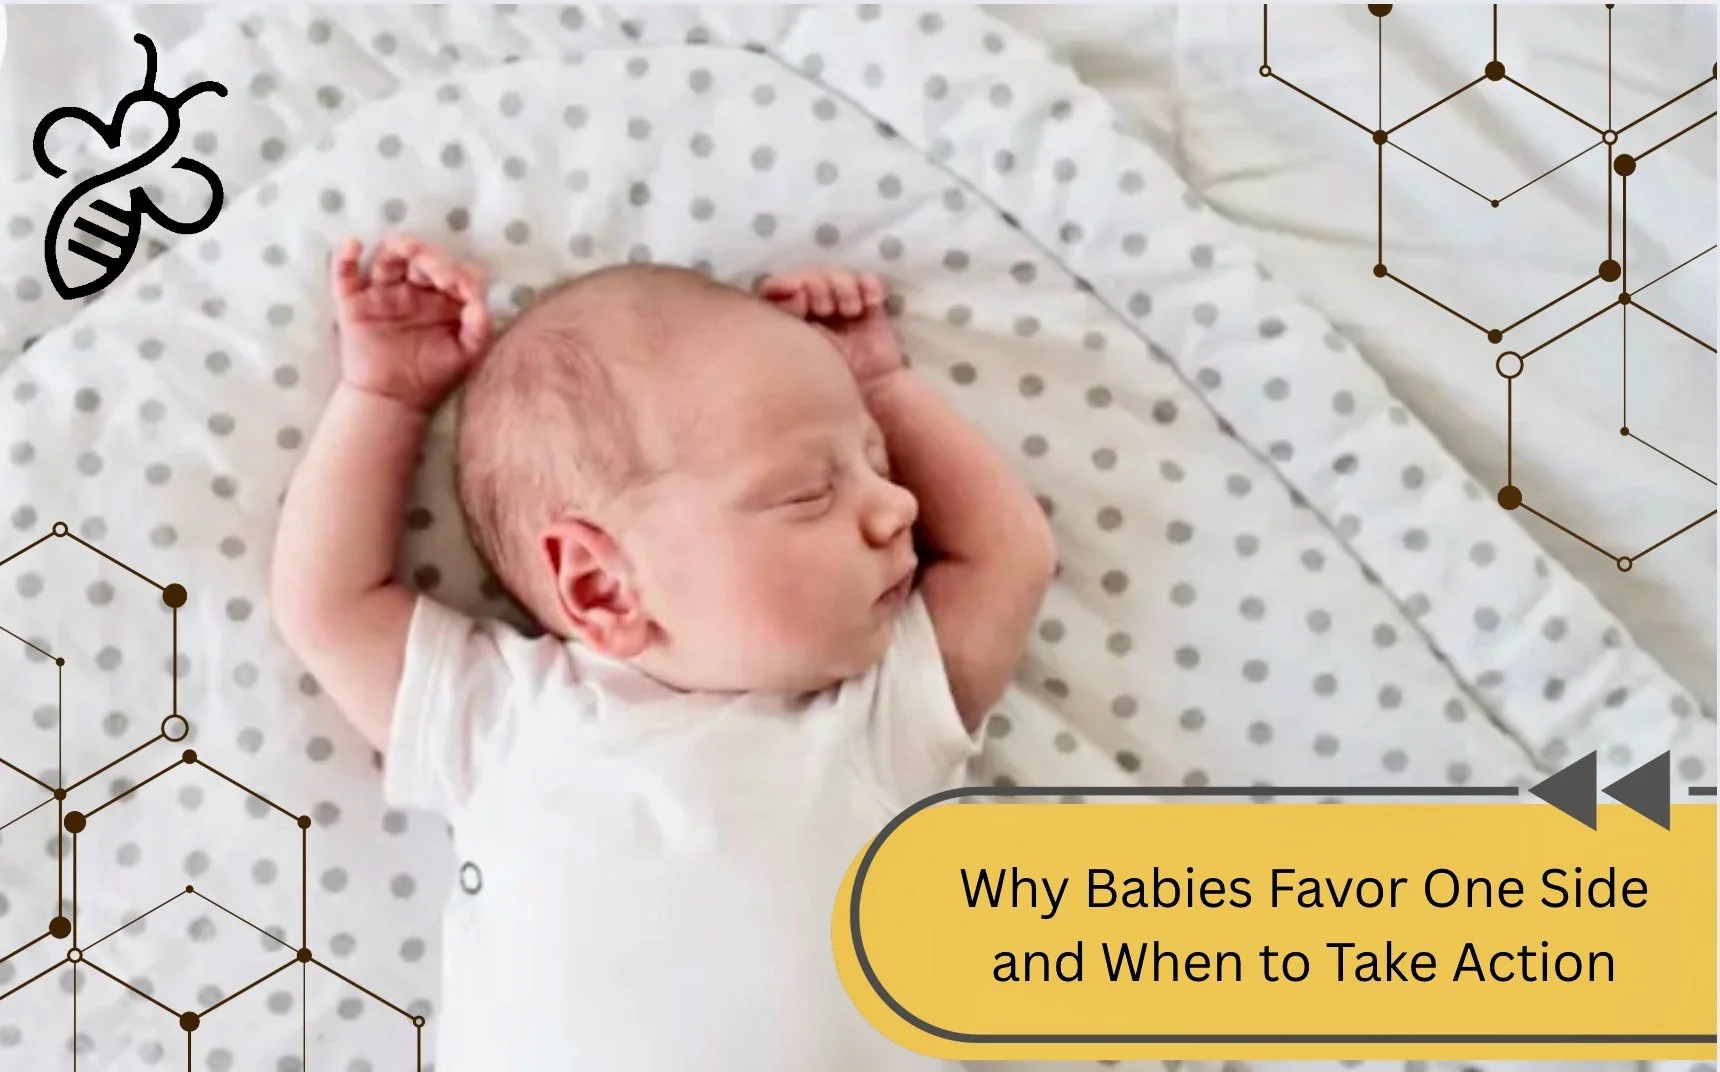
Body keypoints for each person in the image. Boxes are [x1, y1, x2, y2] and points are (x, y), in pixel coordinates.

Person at [271, 234, 1056, 1070]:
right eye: (808, 492)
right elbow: (329, 604)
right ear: (603, 587)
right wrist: (385, 399)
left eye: (879, 462)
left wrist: (881, 386)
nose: (900, 504)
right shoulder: (506, 718)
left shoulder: (875, 714)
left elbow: (1007, 557)